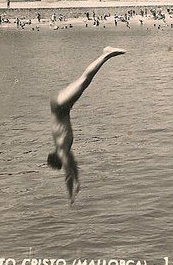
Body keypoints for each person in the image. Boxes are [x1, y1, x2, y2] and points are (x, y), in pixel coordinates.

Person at [47, 47, 126, 204]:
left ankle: (107, 54)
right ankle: (106, 54)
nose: (65, 165)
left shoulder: (62, 149)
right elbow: (73, 167)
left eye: (62, 165)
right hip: (60, 105)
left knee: (85, 79)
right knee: (84, 79)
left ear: (60, 160)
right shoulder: (63, 150)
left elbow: (68, 173)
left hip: (61, 106)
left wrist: (70, 195)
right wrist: (78, 182)